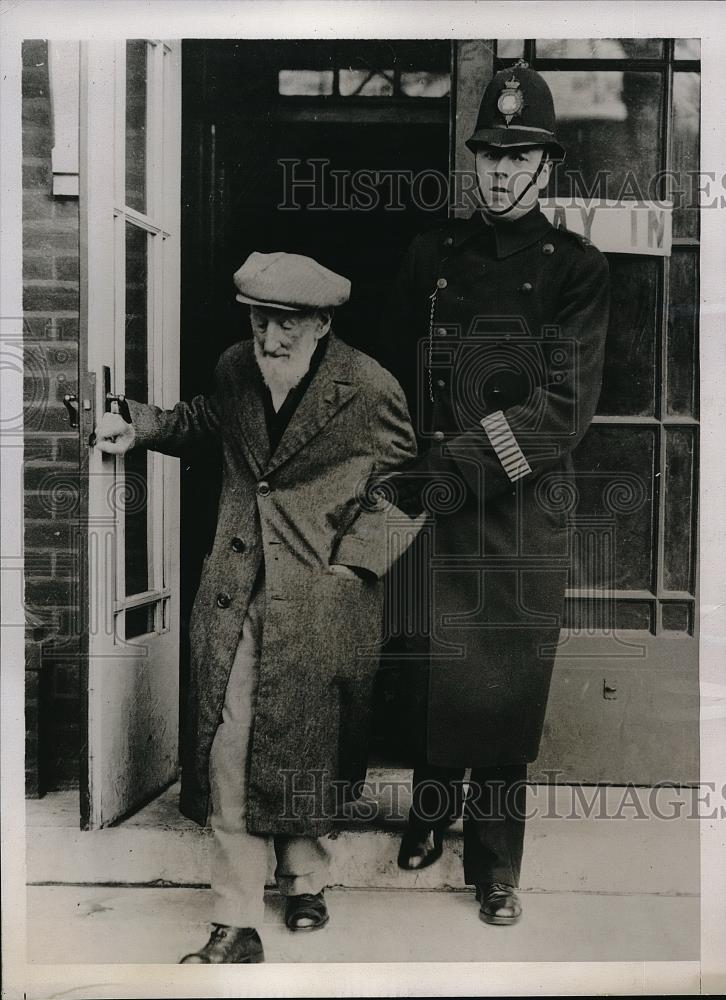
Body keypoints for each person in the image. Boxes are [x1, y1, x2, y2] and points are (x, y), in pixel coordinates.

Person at [94, 251, 419, 963]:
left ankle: (304, 874)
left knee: (304, 739)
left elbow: (406, 484)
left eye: (286, 325)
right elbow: (210, 421)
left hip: (321, 597)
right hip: (237, 590)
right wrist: (140, 426)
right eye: (260, 320)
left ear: (322, 323)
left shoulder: (367, 386)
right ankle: (234, 919)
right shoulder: (237, 367)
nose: (270, 339)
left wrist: (351, 566)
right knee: (232, 742)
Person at [376, 63, 611, 926]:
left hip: (518, 507)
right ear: (474, 162)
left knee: (504, 686)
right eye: (490, 155)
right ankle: (429, 817)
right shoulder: (430, 256)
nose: (503, 171)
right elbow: (393, 374)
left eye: (520, 157)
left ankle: (497, 863)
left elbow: (562, 411)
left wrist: (453, 464)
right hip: (435, 506)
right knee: (430, 667)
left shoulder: (575, 270)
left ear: (547, 167)